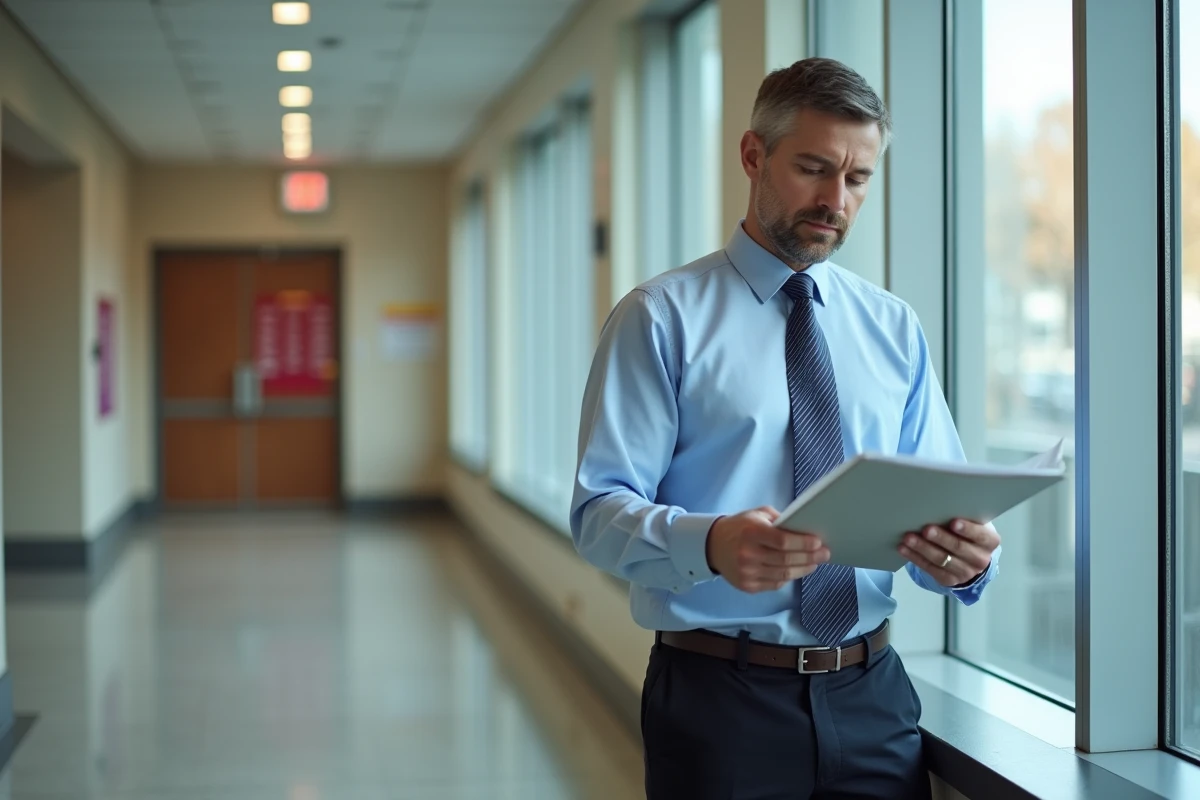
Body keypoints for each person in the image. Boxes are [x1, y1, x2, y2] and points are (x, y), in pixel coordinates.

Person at [569, 57, 1002, 800]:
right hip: (719, 700)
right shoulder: (661, 318)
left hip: (874, 697)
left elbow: (937, 501)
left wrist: (963, 557)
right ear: (753, 155)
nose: (836, 200)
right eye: (813, 168)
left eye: (858, 179)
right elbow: (597, 514)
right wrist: (711, 543)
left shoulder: (891, 327)